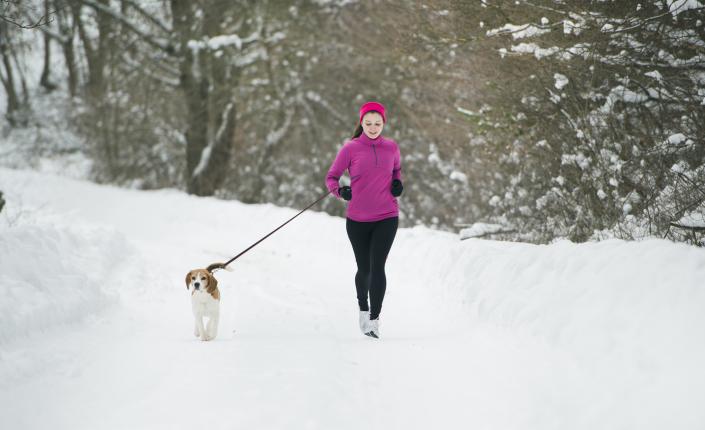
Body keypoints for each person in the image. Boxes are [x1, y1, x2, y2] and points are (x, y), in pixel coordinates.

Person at [325, 101, 403, 339]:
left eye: (377, 123)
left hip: (387, 216)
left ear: (384, 123)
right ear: (361, 123)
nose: (372, 127)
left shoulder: (391, 148)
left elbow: (396, 171)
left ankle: (375, 320)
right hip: (357, 219)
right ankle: (363, 308)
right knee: (365, 268)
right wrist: (341, 191)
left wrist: (398, 184)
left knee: (378, 266)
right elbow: (331, 178)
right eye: (368, 123)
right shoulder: (350, 148)